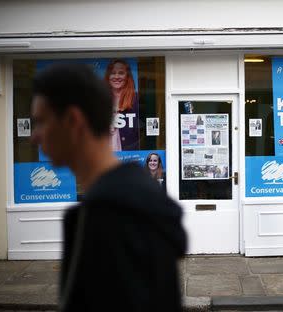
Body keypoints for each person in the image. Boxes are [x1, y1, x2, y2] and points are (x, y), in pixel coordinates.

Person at [31, 64, 186, 311]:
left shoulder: (109, 217)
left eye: (41, 121)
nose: (34, 136)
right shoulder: (132, 201)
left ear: (73, 121)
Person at [104, 59, 139, 151]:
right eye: (113, 73)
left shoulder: (135, 99)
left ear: (127, 76)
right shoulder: (99, 98)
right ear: (108, 76)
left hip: (127, 153)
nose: (116, 76)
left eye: (121, 73)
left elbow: (141, 131)